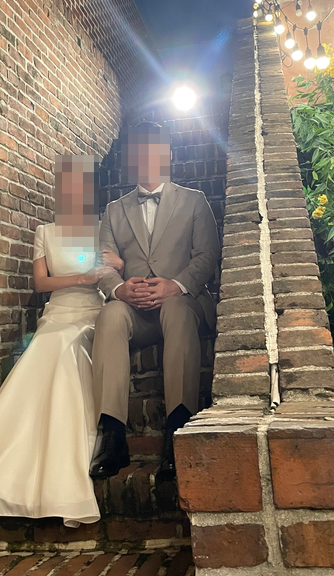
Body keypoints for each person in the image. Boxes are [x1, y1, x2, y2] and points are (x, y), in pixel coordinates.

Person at [0, 155, 123, 536]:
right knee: (41, 352)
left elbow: (116, 271)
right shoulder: (44, 231)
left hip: (91, 313)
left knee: (68, 350)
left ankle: (62, 465)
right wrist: (82, 277)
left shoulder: (102, 228)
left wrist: (120, 263)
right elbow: (41, 283)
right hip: (57, 312)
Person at [90, 121, 220, 480]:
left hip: (184, 302)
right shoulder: (114, 210)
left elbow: (207, 256)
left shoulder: (194, 200)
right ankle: (113, 435)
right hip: (137, 310)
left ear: (168, 155)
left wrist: (176, 285)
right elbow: (104, 263)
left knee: (176, 309)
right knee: (110, 314)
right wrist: (119, 289)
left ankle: (178, 428)